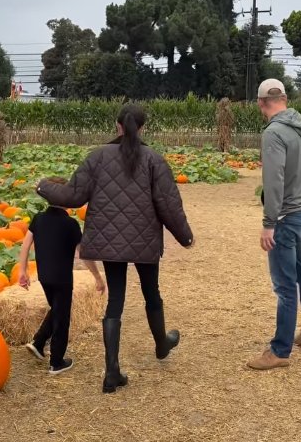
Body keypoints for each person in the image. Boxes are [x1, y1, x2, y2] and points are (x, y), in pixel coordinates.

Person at [37, 104, 194, 393]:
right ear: (143, 128)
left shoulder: (97, 158)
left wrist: (44, 186)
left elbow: (73, 195)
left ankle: (112, 371)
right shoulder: (154, 160)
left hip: (109, 241)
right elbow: (169, 205)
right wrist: (185, 236)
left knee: (115, 302)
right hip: (144, 241)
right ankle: (162, 343)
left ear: (117, 126)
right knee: (151, 293)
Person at [248, 79, 301, 371]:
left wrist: (269, 222)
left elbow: (274, 180)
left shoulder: (274, 133)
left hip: (284, 218)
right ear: (285, 98)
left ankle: (280, 350)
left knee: (284, 285)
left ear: (260, 102)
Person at [17, 177, 105, 375]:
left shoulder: (38, 218)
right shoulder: (71, 225)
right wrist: (98, 277)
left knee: (57, 309)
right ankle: (57, 362)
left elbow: (25, 245)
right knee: (62, 317)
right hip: (63, 279)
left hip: (45, 277)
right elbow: (84, 254)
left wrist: (22, 271)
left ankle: (38, 343)